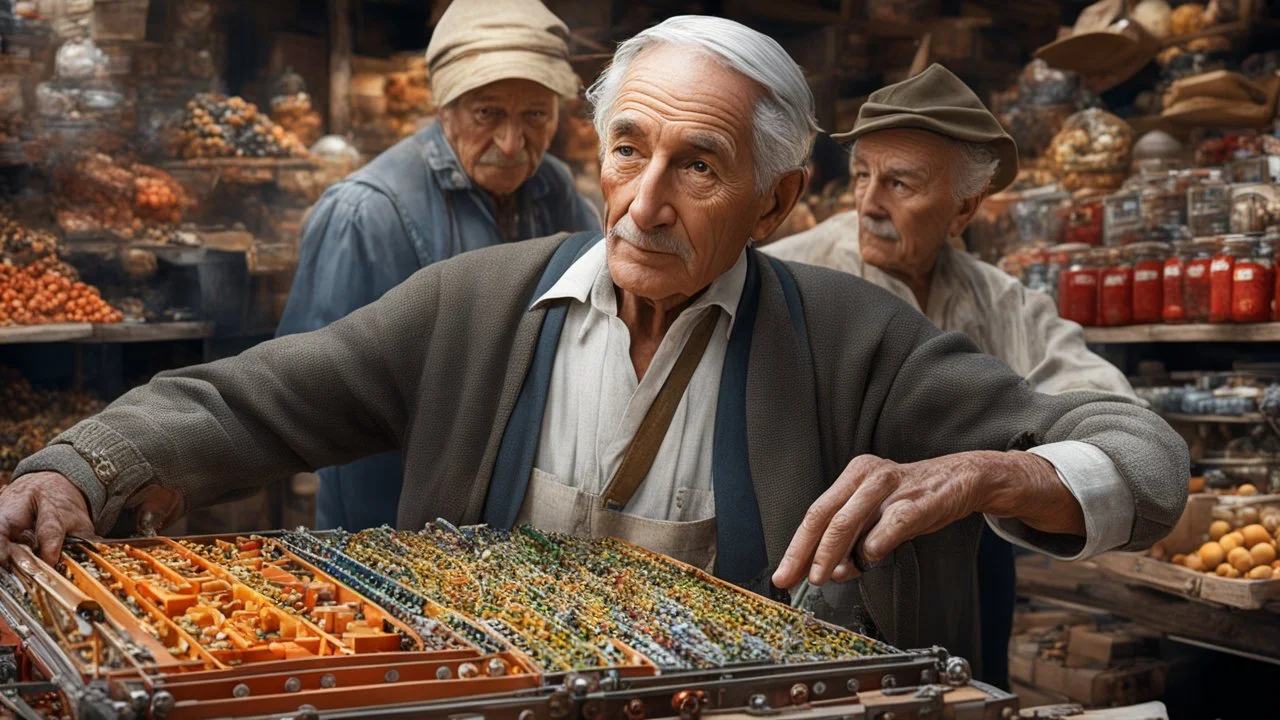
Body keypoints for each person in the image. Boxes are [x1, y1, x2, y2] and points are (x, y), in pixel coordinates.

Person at [2, 16, 1187, 673]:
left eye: (698, 167)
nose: (641, 204)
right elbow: (255, 397)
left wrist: (996, 473)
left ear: (777, 204)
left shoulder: (854, 338)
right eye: (627, 150)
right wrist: (80, 464)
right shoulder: (472, 304)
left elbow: (1140, 457)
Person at [763, 65, 1135, 687]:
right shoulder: (792, 276)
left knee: (965, 690)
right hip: (812, 565)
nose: (869, 202)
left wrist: (1000, 475)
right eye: (862, 175)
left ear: (963, 209)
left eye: (900, 183)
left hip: (966, 569)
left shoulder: (1001, 302)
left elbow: (1110, 410)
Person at [277, 0, 600, 531]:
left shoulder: (554, 191)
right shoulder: (366, 213)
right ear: (443, 106)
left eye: (535, 115)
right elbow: (313, 399)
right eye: (488, 113)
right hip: (393, 520)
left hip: (513, 520)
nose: (512, 143)